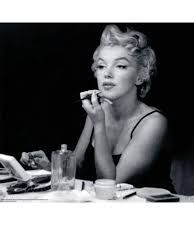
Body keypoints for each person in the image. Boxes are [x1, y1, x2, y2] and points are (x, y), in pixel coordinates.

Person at [21, 25, 175, 192]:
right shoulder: (98, 112)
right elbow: (78, 165)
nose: (107, 74)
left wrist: (99, 125)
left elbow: (110, 185)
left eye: (120, 66)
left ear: (140, 76)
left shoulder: (154, 123)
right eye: (101, 66)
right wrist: (52, 166)